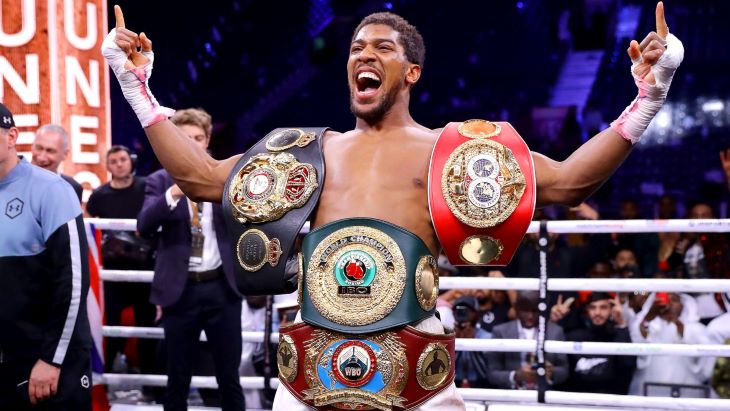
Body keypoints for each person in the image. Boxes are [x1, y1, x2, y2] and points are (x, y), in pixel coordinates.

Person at [103, 2, 682, 409]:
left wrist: (649, 96)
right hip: (310, 368)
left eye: (382, 47)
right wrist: (135, 87)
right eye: (357, 47)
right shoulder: (306, 153)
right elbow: (202, 178)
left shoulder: (453, 151)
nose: (365, 54)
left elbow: (569, 183)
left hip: (414, 368)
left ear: (412, 72)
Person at [136, 108, 244, 411]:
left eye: (197, 138)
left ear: (207, 139)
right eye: (184, 138)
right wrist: (175, 191)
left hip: (222, 289)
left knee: (229, 377)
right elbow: (144, 225)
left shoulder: (227, 175)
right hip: (180, 292)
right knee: (177, 378)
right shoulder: (159, 181)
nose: (192, 144)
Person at [0, 103, 92, 409]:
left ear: (12, 136)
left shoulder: (52, 189)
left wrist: (52, 358)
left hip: (46, 359)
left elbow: (73, 282)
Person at [85, 146, 156, 381]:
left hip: (145, 268)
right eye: (114, 160)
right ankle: (103, 382)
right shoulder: (99, 195)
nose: (119, 164)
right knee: (109, 325)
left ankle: (151, 383)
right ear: (107, 166)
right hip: (113, 271)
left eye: (123, 159)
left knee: (147, 327)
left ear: (131, 161)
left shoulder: (147, 187)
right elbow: (89, 225)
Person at [487, 291, 569, 390]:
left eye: (535, 311)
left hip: (544, 394)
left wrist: (551, 372)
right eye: (525, 310)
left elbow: (564, 370)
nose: (530, 316)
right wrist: (515, 376)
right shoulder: (500, 332)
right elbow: (492, 373)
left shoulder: (555, 331)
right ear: (516, 309)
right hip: (512, 395)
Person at [564, 292, 635, 395]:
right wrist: (553, 321)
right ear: (587, 310)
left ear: (612, 309)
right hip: (578, 400)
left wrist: (621, 323)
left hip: (611, 400)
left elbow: (628, 365)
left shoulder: (619, 335)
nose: (597, 312)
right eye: (593, 307)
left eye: (603, 307)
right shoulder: (574, 337)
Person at [30, 124, 83, 201]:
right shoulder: (14, 180)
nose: (42, 157)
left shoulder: (73, 188)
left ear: (65, 154)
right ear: (32, 147)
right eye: (39, 148)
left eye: (50, 151)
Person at [451, 296, 491, 388]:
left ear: (476, 313)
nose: (462, 313)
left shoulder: (486, 337)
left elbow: (485, 373)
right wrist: (455, 346)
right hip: (453, 384)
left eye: (467, 310)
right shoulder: (444, 335)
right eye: (458, 309)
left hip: (480, 385)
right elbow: (444, 372)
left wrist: (472, 344)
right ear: (453, 313)